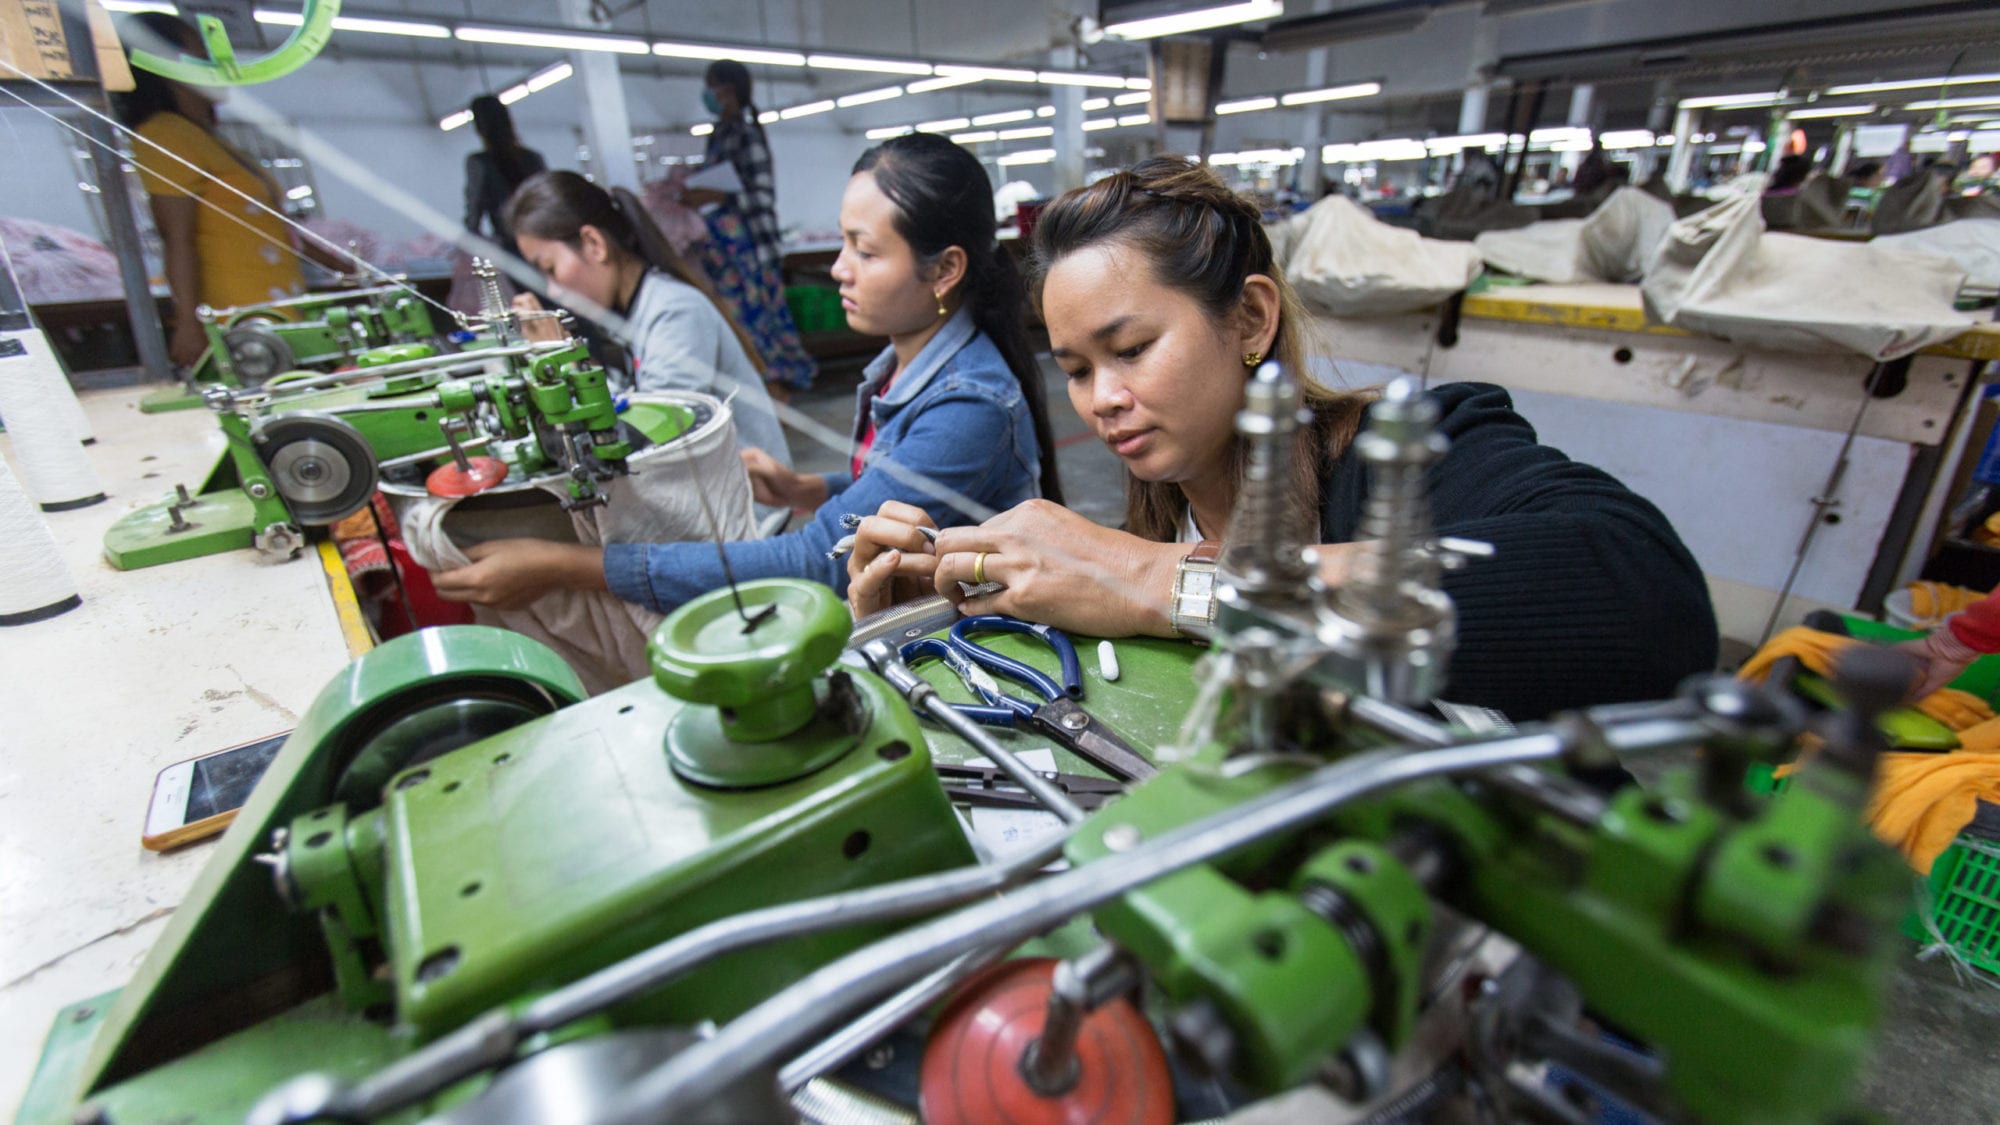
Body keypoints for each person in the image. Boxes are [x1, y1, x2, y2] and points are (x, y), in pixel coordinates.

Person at [846, 156, 1718, 722]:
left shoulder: (1408, 453)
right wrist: (923, 630)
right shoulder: (1164, 513)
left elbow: (1641, 595)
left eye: (1134, 349)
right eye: (1076, 368)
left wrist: (1154, 580)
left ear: (1251, 319)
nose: (1103, 400)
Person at [432, 134, 1063, 616]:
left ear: (944, 270)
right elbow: (899, 481)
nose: (840, 268)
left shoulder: (968, 404)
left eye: (866, 252)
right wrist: (810, 488)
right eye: (843, 244)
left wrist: (568, 566)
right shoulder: (909, 366)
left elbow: (816, 562)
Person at [501, 170, 791, 473]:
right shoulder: (636, 310)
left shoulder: (674, 311)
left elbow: (645, 434)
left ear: (594, 243)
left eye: (550, 268)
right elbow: (627, 401)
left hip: (749, 505)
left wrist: (561, 359)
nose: (551, 290)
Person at [113, 12, 349, 367]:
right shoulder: (165, 135)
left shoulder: (209, 139)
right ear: (168, 65)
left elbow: (271, 225)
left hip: (281, 312)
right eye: (202, 54)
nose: (217, 63)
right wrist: (191, 325)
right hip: (242, 323)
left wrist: (339, 266)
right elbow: (176, 238)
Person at [684, 59, 816, 396]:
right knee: (740, 321)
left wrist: (716, 195)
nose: (708, 94)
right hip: (725, 251)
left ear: (727, 90)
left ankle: (780, 386)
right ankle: (763, 388)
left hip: (751, 249)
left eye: (712, 86)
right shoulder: (719, 135)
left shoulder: (747, 134)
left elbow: (760, 194)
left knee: (763, 321)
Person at [462, 94, 547, 261]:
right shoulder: (533, 158)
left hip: (510, 246)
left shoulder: (479, 163)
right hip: (543, 239)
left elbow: (474, 211)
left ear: (479, 127)